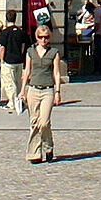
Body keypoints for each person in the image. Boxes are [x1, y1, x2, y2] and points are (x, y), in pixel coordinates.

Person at [23, 24, 67, 164]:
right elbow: (27, 71)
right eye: (41, 37)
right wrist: (22, 90)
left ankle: (48, 146)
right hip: (33, 89)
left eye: (46, 37)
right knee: (34, 122)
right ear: (36, 37)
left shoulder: (54, 52)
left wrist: (58, 91)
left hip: (47, 90)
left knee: (44, 122)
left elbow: (56, 72)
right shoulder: (30, 51)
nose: (43, 40)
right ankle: (34, 153)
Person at [0, 10, 29, 114]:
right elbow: (23, 46)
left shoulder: (5, 32)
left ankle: (12, 103)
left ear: (6, 18)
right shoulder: (21, 32)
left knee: (9, 82)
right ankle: (21, 100)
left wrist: (1, 60)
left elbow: (2, 47)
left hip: (8, 60)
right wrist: (19, 55)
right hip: (19, 60)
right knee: (18, 81)